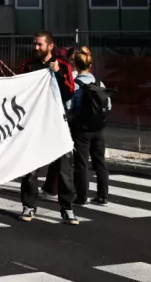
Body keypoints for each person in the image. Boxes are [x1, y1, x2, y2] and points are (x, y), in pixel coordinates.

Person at [18, 31, 77, 225]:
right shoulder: (28, 66)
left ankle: (67, 208)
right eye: (34, 44)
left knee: (63, 169)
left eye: (39, 45)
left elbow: (68, 93)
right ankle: (28, 205)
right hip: (34, 124)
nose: (36, 48)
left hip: (56, 124)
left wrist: (58, 72)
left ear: (50, 46)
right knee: (30, 168)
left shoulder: (64, 66)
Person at [69, 46, 111, 206]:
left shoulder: (76, 84)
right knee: (99, 161)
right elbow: (108, 104)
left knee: (81, 162)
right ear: (90, 65)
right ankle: (103, 195)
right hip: (99, 128)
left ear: (76, 66)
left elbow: (69, 105)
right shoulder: (99, 83)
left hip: (81, 129)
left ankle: (81, 196)